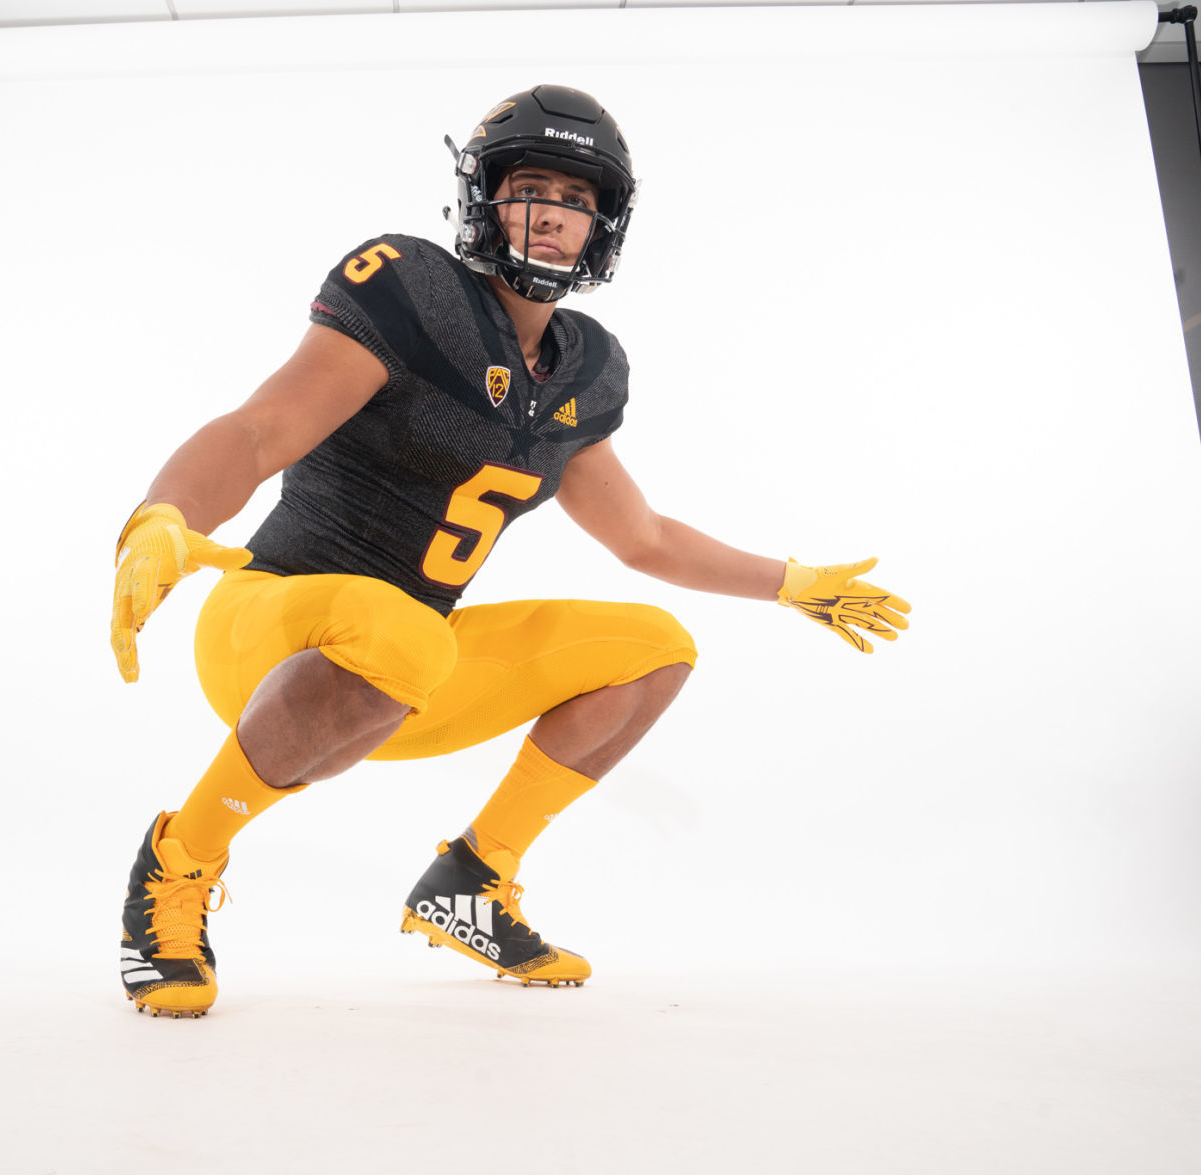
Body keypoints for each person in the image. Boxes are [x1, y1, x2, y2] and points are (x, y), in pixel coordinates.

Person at [111, 84, 910, 1018]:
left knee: (653, 647)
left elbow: (642, 538)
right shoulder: (411, 290)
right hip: (271, 629)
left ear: (602, 225)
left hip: (409, 665)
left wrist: (790, 584)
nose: (553, 216)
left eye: (577, 201)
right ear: (482, 197)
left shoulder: (582, 367)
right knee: (403, 633)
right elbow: (257, 431)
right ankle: (178, 860)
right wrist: (165, 513)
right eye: (534, 188)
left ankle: (473, 879)